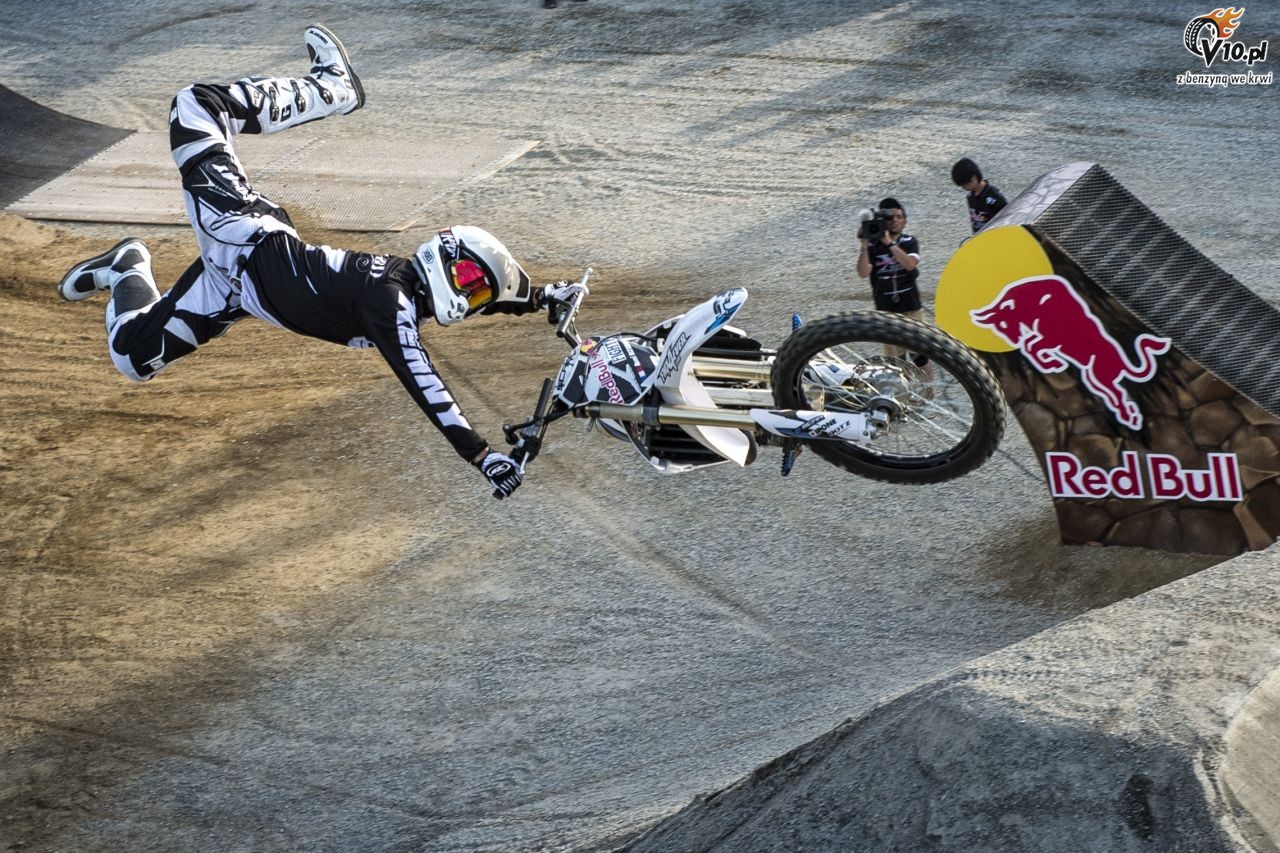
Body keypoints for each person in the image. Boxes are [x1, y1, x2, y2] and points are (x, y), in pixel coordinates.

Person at [57, 25, 585, 500]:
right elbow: (424, 384)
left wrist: (538, 297)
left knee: (131, 357)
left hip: (239, 288)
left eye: (477, 295)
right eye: (470, 284)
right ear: (446, 262)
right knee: (194, 105)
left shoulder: (405, 297)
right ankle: (333, 87)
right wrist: (479, 453)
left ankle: (128, 265)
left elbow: (488, 295)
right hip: (241, 233)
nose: (471, 301)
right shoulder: (391, 303)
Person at [950, 157, 1008, 233]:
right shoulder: (970, 197)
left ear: (974, 178)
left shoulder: (994, 196)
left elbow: (1007, 218)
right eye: (962, 186)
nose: (964, 188)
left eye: (966, 184)